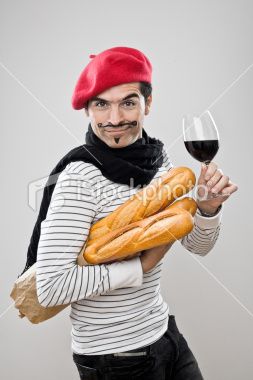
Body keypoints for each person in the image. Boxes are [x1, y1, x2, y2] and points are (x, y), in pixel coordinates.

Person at [36, 46, 238, 379]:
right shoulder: (79, 177)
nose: (114, 119)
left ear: (148, 103)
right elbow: (50, 288)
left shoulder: (160, 163)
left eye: (128, 102)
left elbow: (197, 246)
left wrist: (207, 209)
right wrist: (139, 267)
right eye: (101, 104)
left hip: (164, 332)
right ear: (88, 108)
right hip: (115, 357)